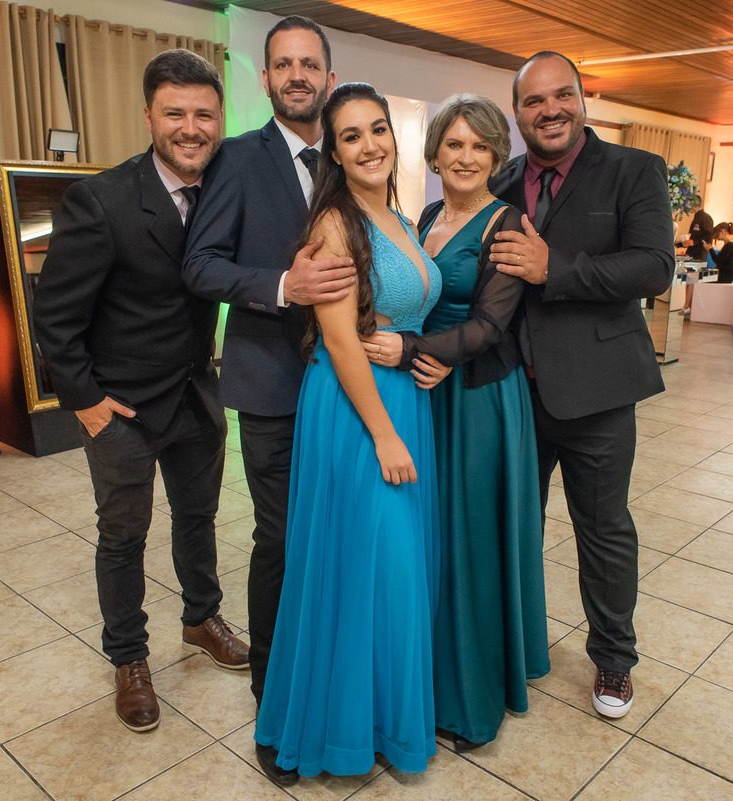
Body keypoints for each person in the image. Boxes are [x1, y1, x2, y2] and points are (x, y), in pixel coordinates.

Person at [34, 50, 249, 734]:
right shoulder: (100, 199)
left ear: (220, 120)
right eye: (176, 113)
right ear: (149, 116)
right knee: (123, 536)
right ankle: (128, 658)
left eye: (204, 114)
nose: (191, 127)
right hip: (121, 408)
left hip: (195, 395)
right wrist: (87, 403)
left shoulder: (224, 186)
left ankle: (200, 616)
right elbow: (55, 317)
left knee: (198, 519)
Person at [182, 19, 358, 781]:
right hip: (274, 383)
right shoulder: (238, 160)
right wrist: (284, 287)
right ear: (265, 78)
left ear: (327, 72)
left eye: (309, 63)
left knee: (339, 537)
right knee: (282, 541)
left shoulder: (353, 155)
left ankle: (338, 685)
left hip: (351, 380)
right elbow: (202, 265)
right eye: (283, 64)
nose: (297, 75)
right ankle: (274, 700)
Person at [253, 82, 445, 779]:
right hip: (359, 412)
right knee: (364, 567)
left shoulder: (396, 214)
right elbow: (339, 341)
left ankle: (381, 724)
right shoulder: (336, 222)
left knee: (388, 573)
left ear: (395, 137)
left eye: (378, 130)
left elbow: (403, 310)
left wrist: (416, 347)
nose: (370, 146)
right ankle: (335, 731)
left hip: (403, 401)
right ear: (333, 152)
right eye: (352, 136)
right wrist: (385, 434)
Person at [358, 94, 548, 752]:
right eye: (453, 145)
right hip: (425, 392)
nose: (465, 157)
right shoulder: (429, 214)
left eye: (479, 146)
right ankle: (426, 678)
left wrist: (415, 351)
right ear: (434, 153)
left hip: (477, 401)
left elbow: (495, 324)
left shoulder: (509, 224)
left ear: (496, 156)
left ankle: (469, 701)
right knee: (425, 541)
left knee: (468, 543)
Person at [488, 52, 674, 719]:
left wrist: (554, 268)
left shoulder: (634, 170)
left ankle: (614, 659)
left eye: (561, 95)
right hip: (513, 393)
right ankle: (515, 644)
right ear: (517, 113)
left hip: (597, 391)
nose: (550, 110)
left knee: (603, 530)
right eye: (534, 102)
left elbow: (653, 267)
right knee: (515, 527)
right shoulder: (501, 179)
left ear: (582, 99)